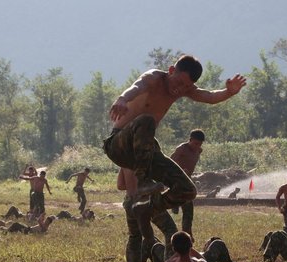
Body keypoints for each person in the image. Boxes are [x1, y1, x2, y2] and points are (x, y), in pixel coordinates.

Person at [103, 55, 246, 248]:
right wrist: (122, 98)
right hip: (118, 142)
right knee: (147, 121)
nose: (179, 89)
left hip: (143, 150)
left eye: (186, 87)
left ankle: (146, 210)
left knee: (187, 190)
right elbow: (136, 86)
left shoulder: (182, 90)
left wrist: (229, 92)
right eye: (178, 82)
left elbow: (209, 96)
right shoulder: (154, 78)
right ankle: (141, 190)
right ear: (171, 71)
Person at [117, 168, 178, 262]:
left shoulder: (125, 162)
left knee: (134, 237)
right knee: (170, 230)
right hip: (147, 201)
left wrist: (133, 187)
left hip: (130, 202)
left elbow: (120, 185)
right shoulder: (147, 160)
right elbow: (159, 185)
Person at [170, 129, 205, 239]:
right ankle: (174, 205)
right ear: (190, 140)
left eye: (199, 144)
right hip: (176, 181)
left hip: (186, 182)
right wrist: (179, 171)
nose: (197, 146)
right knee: (183, 206)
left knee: (188, 210)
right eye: (195, 143)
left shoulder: (199, 150)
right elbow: (170, 162)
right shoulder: (181, 149)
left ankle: (187, 234)